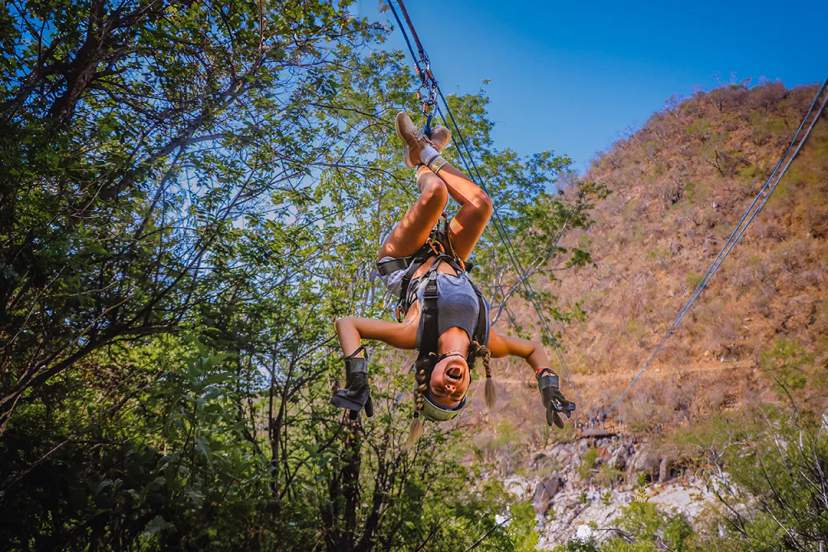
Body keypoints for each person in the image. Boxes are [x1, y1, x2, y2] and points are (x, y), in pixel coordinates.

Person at [332, 112, 575, 445]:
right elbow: (533, 349)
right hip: (449, 255)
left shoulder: (414, 334)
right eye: (454, 395)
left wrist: (357, 376)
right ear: (467, 383)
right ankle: (424, 152)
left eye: (438, 391)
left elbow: (348, 324)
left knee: (436, 195)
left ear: (428, 373)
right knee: (481, 205)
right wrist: (548, 384)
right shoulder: (486, 342)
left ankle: (422, 152)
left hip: (402, 260)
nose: (449, 388)